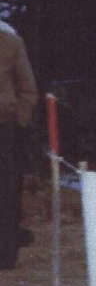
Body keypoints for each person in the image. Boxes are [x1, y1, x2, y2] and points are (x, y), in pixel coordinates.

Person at [0, 20, 38, 270]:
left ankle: (5, 254)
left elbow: (28, 88)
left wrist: (17, 120)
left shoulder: (8, 40)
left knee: (5, 192)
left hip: (4, 128)